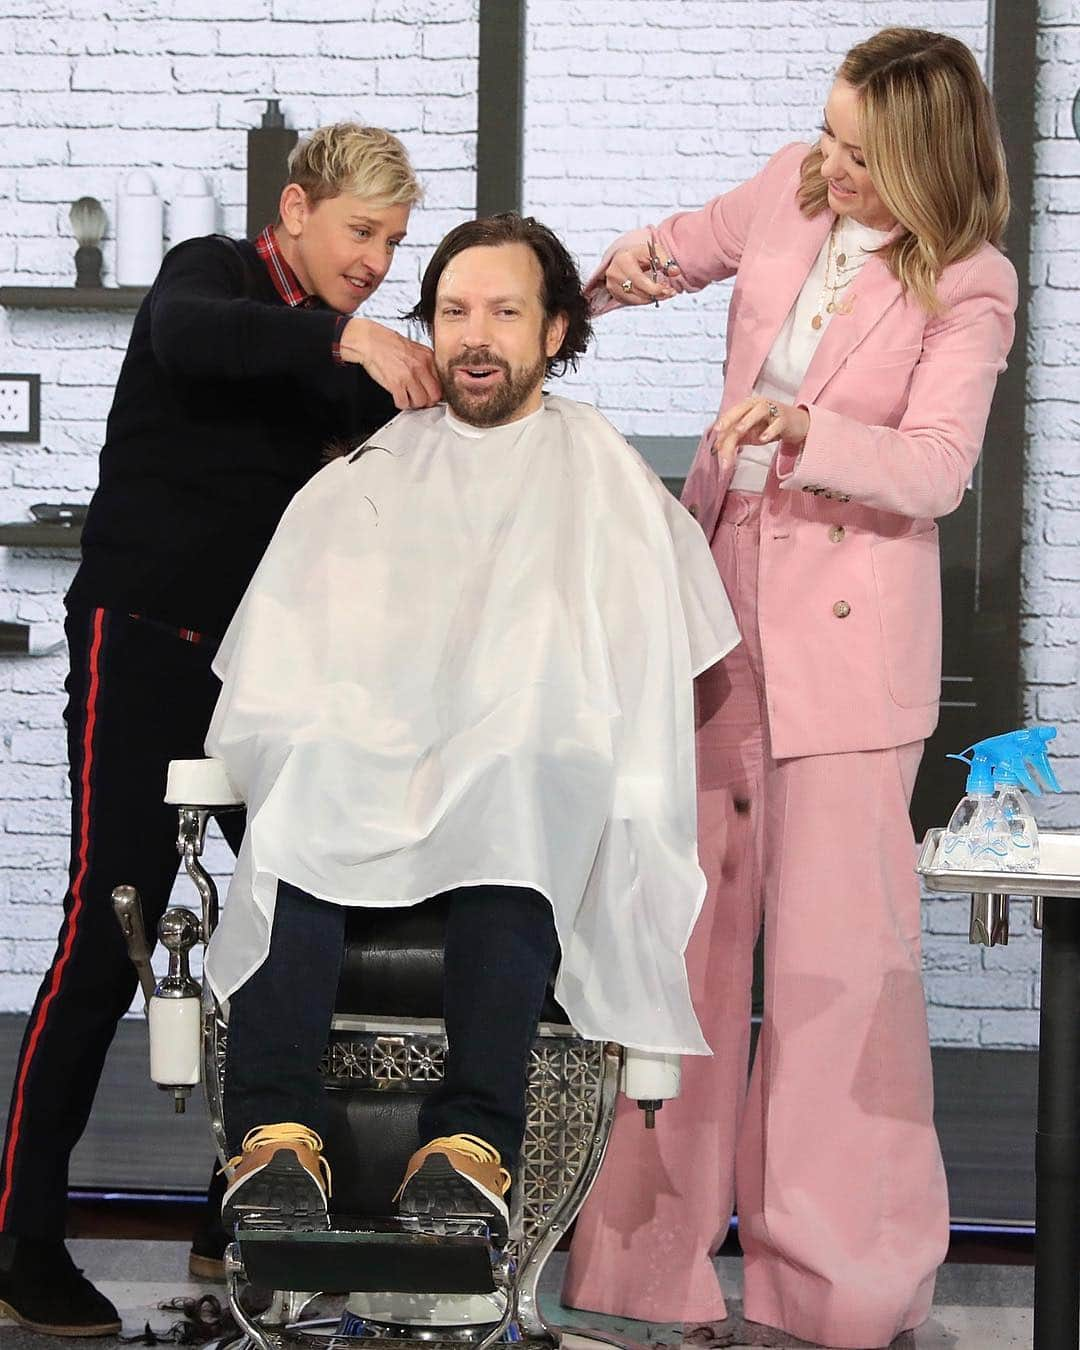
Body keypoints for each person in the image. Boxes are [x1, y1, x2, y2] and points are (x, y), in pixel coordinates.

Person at [562, 28, 1017, 1350]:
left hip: (846, 642)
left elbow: (935, 470)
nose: (833, 164)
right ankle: (641, 1267)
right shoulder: (792, 183)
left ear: (929, 160)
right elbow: (677, 246)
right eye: (827, 133)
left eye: (865, 153)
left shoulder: (970, 284)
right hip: (715, 605)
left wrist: (812, 430)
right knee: (679, 943)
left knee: (833, 978)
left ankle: (838, 1286)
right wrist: (585, 284)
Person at [197, 213, 739, 1243]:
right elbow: (288, 651)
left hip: (517, 763)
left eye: (503, 312)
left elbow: (674, 650)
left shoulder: (601, 469)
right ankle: (274, 1141)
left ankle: (468, 1146)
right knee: (306, 780)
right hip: (372, 757)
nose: (475, 336)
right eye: (453, 312)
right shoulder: (376, 464)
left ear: (554, 333)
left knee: (516, 775)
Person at [0, 123, 440, 1337]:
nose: (375, 261)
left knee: (307, 913)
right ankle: (22, 1236)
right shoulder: (212, 275)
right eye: (361, 233)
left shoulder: (341, 361)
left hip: (262, 679)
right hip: (140, 640)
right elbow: (194, 338)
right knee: (106, 931)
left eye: (394, 245)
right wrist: (348, 335)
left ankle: (242, 1204)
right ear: (295, 211)